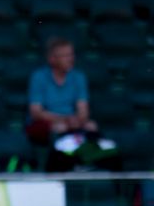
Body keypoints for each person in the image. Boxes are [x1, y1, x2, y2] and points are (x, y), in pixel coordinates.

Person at [26, 37, 115, 167]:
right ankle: (56, 168)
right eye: (65, 55)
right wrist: (64, 120)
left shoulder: (78, 77)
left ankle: (90, 164)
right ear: (52, 59)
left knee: (92, 126)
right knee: (57, 129)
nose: (70, 59)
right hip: (48, 122)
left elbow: (83, 110)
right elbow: (36, 112)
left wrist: (77, 121)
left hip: (71, 121)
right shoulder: (38, 77)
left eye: (71, 54)